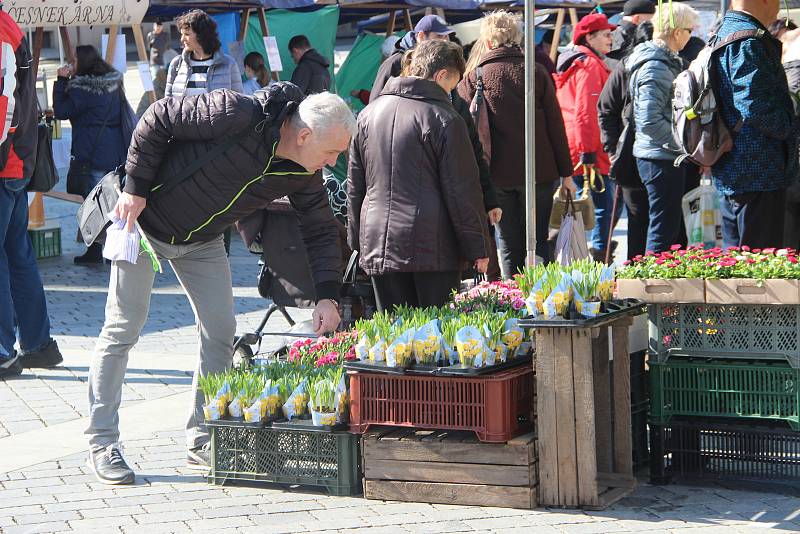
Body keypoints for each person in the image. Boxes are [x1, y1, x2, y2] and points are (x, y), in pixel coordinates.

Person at [86, 85, 353, 484]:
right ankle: (101, 442)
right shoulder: (236, 113)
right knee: (123, 328)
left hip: (202, 240)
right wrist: (135, 188)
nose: (333, 162)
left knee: (221, 331)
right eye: (332, 152)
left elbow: (318, 229)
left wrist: (328, 295)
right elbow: (158, 116)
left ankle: (203, 437)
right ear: (303, 135)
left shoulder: (304, 173)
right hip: (143, 225)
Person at [348, 40, 491, 311]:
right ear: (441, 76)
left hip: (378, 241)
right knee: (432, 340)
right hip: (432, 247)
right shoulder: (444, 118)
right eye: (452, 85)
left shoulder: (367, 115)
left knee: (394, 341)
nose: (452, 93)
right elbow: (462, 191)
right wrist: (478, 248)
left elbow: (355, 187)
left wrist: (357, 242)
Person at [458, 11, 564, 270]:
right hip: (540, 172)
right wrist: (568, 173)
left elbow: (464, 132)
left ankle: (514, 300)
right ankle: (542, 299)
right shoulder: (536, 72)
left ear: (489, 41)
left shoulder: (474, 77)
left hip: (496, 175)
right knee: (537, 241)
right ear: (517, 38)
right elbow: (556, 125)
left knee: (507, 241)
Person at [0, 6, 64, 378]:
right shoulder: (9, 28)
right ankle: (38, 345)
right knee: (17, 253)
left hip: (6, 162)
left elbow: (3, 103)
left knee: (11, 255)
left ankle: (5, 350)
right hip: (15, 161)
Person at [711, 0, 799, 248]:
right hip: (757, 170)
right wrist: (789, 126)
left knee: (740, 262)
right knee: (756, 270)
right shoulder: (747, 40)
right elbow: (753, 104)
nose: (779, 8)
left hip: (738, 167)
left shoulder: (728, 32)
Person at [627, 3, 699, 254]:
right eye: (690, 30)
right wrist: (682, 145)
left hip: (660, 154)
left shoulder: (661, 61)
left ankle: (658, 283)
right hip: (659, 157)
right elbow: (648, 120)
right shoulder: (656, 65)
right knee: (663, 226)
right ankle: (653, 288)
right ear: (677, 31)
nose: (691, 36)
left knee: (667, 224)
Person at [54, 45, 130, 264]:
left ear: (83, 62)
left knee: (95, 204)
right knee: (112, 203)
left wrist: (61, 81)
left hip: (93, 152)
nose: (71, 65)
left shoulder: (82, 89)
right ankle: (113, 250)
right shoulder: (114, 84)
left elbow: (61, 111)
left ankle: (97, 252)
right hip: (114, 151)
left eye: (74, 61)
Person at [554, 13, 616, 262]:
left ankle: (588, 256)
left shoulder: (578, 61)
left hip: (576, 142)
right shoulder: (588, 64)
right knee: (602, 207)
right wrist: (587, 151)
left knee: (585, 207)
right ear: (589, 37)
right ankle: (599, 261)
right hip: (586, 145)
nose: (611, 39)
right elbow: (586, 111)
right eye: (606, 34)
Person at [598, 22, 654, 260]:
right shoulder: (626, 67)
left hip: (663, 156)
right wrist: (612, 149)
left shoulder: (675, 63)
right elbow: (606, 108)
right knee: (638, 219)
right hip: (631, 155)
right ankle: (637, 276)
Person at [369, 14, 454, 102]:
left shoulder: (444, 62)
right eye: (439, 36)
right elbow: (375, 103)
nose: (445, 41)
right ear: (421, 36)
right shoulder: (395, 62)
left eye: (446, 36)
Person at [165, 9, 242, 98]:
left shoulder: (228, 64)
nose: (182, 39)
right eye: (182, 34)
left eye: (187, 34)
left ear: (202, 35)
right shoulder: (176, 64)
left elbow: (238, 101)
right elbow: (168, 102)